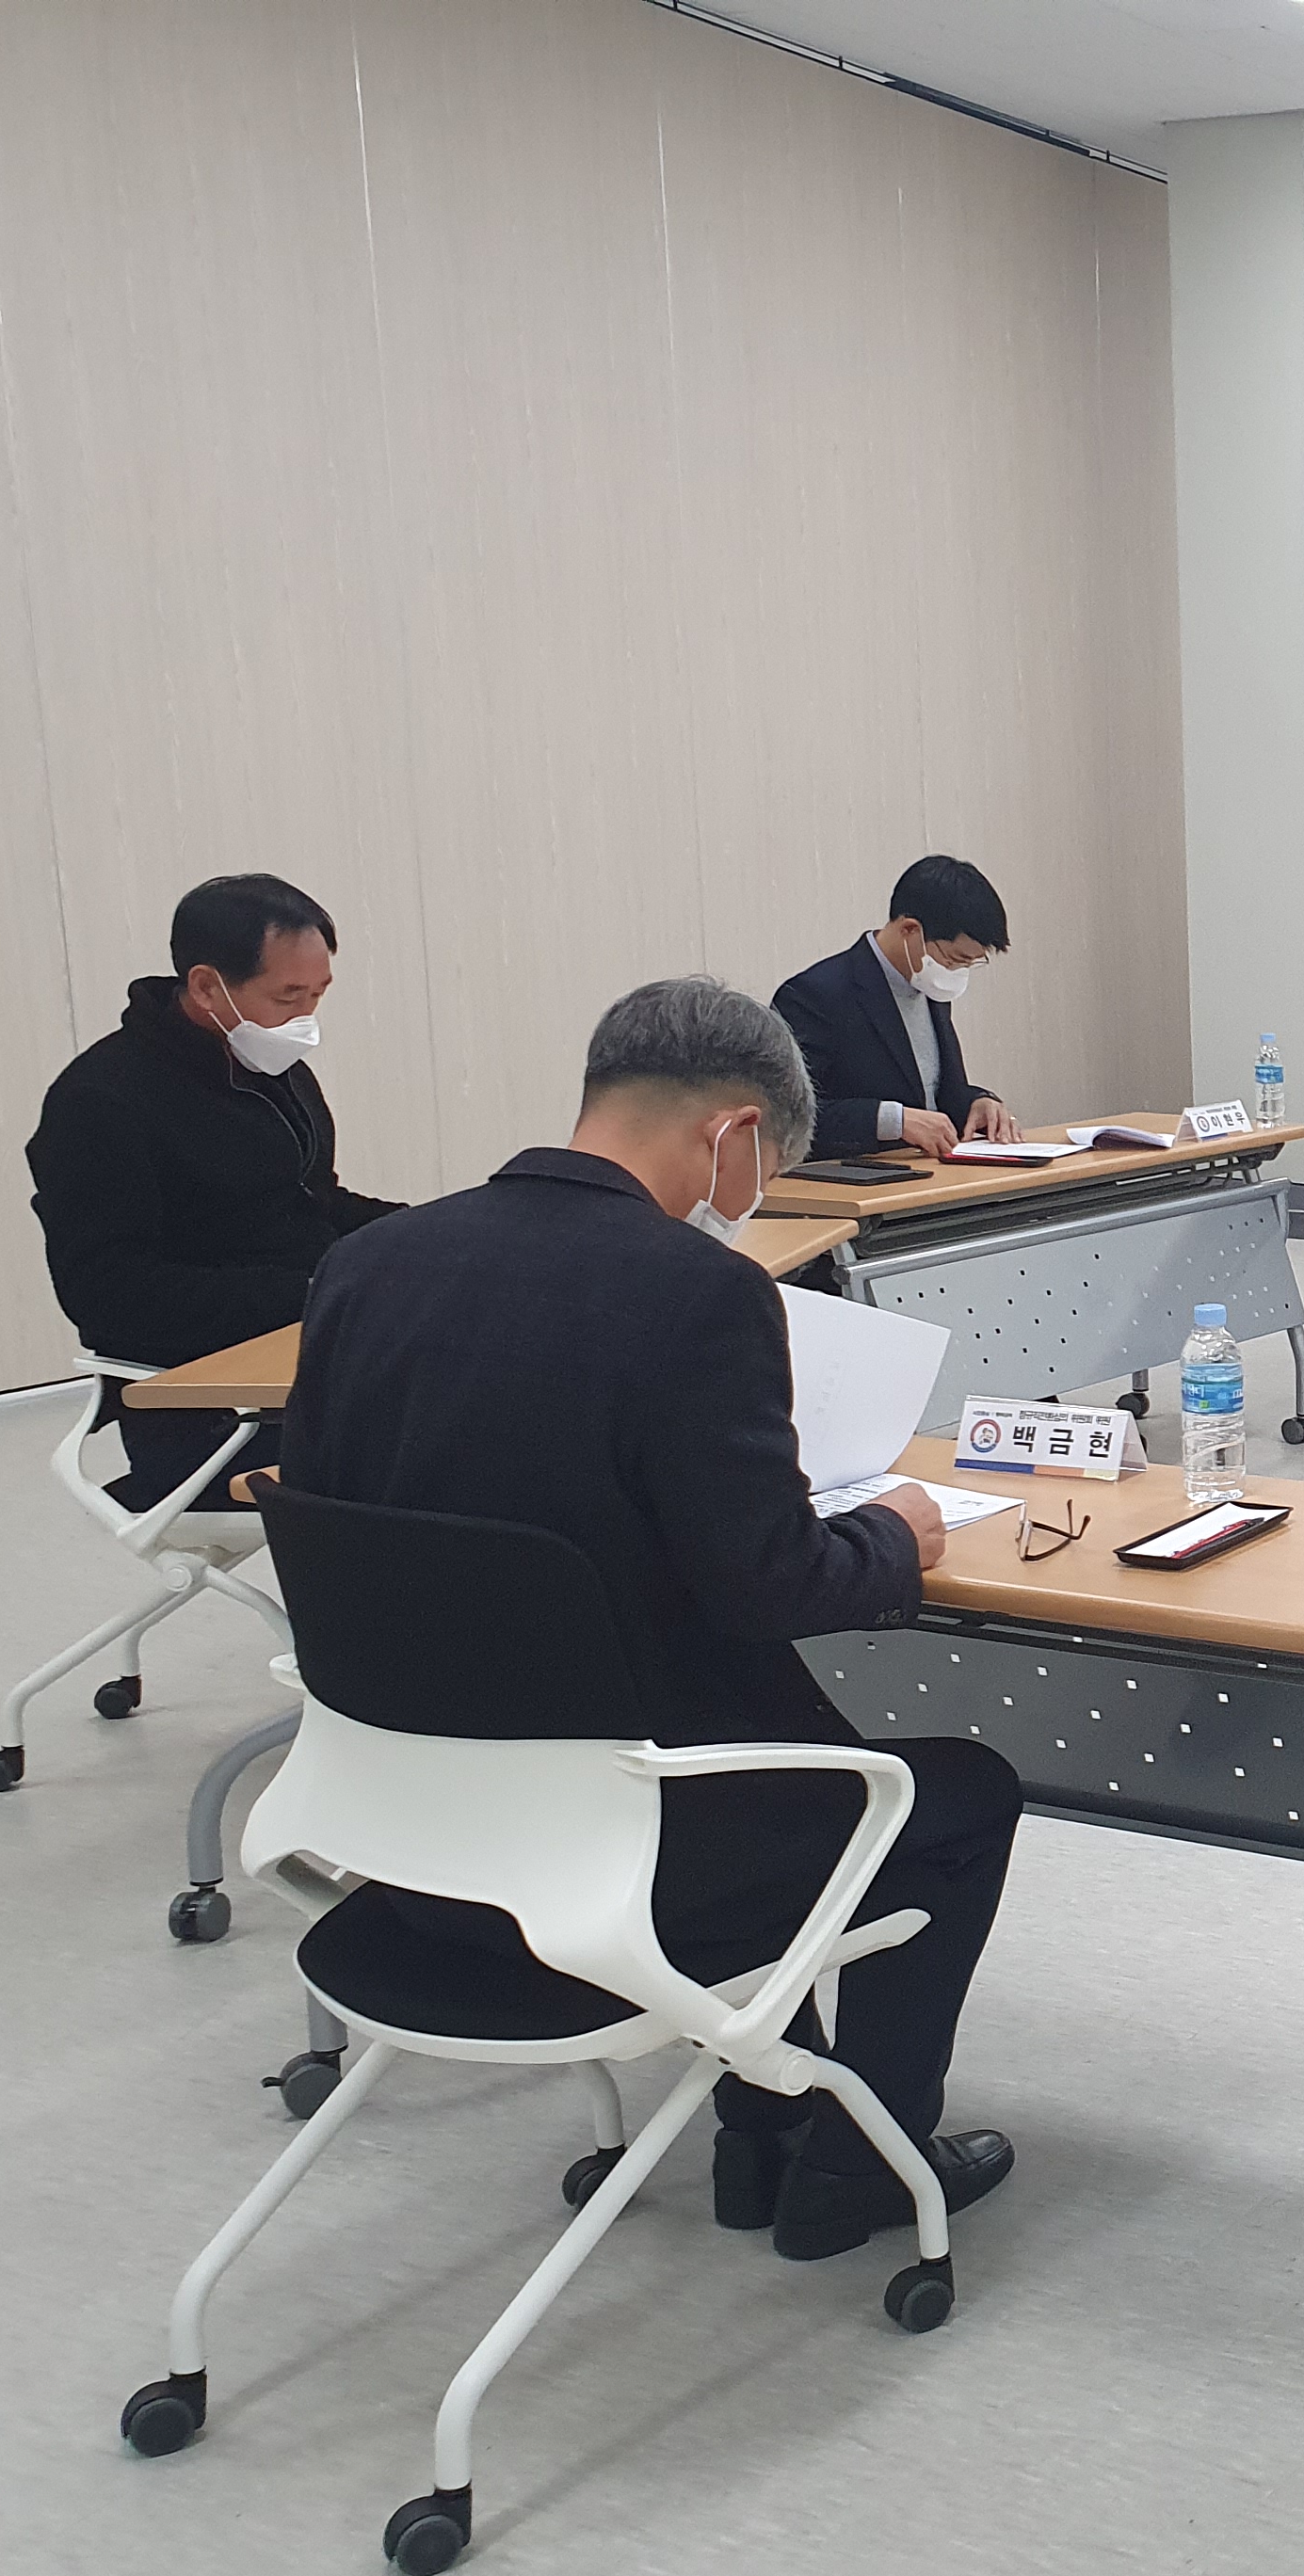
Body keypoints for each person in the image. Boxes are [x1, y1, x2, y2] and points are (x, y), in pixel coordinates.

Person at [281, 978, 1022, 2264]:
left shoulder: (366, 1268)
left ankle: (762, 2127)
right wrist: (892, 1537)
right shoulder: (696, 1293)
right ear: (734, 1134)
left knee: (734, 1741)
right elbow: (769, 1587)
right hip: (617, 1859)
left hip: (409, 1844)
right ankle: (860, 2167)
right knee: (955, 1796)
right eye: (765, 1170)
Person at [27, 873, 403, 1509]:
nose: (306, 1018)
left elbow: (311, 1202)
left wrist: (423, 1234)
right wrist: (313, 1292)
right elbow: (108, 1292)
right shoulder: (99, 1101)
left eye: (318, 994)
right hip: (207, 1408)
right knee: (440, 1455)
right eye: (287, 996)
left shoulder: (266, 1066)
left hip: (304, 1359)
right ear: (206, 987)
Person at [774, 856, 1022, 1159]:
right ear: (909, 930)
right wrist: (894, 1121)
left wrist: (976, 1102)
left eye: (970, 963)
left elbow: (932, 1095)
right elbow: (786, 1115)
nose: (956, 972)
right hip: (854, 1176)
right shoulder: (813, 994)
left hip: (933, 1171)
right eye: (955, 959)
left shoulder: (929, 986)